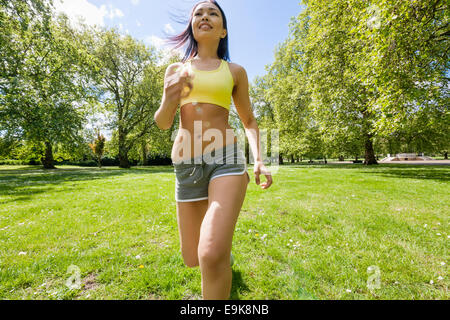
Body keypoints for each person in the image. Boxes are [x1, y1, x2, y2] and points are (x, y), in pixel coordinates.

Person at [154, 0, 273, 300]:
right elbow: (163, 122)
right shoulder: (175, 70)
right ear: (192, 26)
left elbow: (248, 119)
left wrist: (260, 159)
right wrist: (169, 98)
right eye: (198, 13)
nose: (205, 16)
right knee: (193, 258)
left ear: (223, 31)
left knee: (209, 254)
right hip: (187, 163)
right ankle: (223, 254)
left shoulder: (234, 71)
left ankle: (219, 254)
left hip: (227, 160)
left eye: (213, 13)